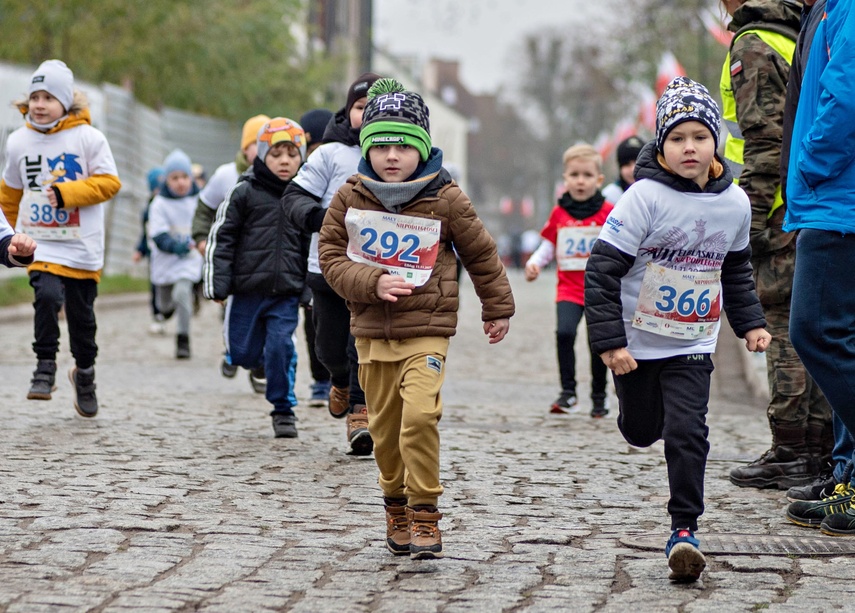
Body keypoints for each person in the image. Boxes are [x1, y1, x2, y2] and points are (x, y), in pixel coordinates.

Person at [318, 78, 515, 560]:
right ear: (366, 148)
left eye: (403, 145)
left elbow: (481, 253)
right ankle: (396, 504)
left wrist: (498, 307)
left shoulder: (446, 197)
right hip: (370, 332)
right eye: (381, 145)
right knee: (385, 432)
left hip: (427, 330)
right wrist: (372, 282)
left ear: (422, 148)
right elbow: (329, 255)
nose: (391, 155)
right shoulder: (351, 196)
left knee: (421, 417)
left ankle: (426, 511)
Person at [585, 76, 770, 582]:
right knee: (643, 430)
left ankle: (684, 529)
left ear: (716, 142)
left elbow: (734, 269)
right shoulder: (642, 199)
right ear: (662, 147)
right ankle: (635, 414)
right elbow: (600, 272)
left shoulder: (735, 203)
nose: (689, 148)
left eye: (699, 136)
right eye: (677, 138)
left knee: (688, 431)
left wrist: (750, 325)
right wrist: (611, 345)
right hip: (636, 342)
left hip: (692, 339)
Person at [719, 0, 832, 492]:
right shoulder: (796, 31)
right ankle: (819, 448)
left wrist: (750, 221)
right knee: (814, 325)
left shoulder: (753, 43)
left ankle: (791, 448)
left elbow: (763, 142)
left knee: (781, 325)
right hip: (806, 201)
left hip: (775, 207)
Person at [0, 59, 122, 418]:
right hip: (40, 243)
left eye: (48, 97)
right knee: (47, 296)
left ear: (66, 102)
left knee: (82, 320)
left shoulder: (88, 137)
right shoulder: (18, 141)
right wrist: (7, 238)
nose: (39, 104)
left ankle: (84, 374)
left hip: (81, 246)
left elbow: (109, 183)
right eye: (34, 96)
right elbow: (9, 195)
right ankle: (44, 367)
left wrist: (69, 193)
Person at [784, 0, 855, 536]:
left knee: (814, 332)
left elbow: (846, 96)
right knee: (843, 339)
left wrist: (807, 164)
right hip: (832, 196)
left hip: (838, 198)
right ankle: (848, 474)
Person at [283, 72, 382, 456]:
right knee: (328, 348)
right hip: (326, 268)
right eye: (361, 107)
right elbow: (294, 198)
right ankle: (337, 380)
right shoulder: (328, 154)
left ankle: (361, 411)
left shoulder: (400, 156)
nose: (367, 115)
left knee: (363, 342)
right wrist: (325, 218)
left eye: (375, 108)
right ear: (348, 110)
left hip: (376, 273)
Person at [204, 117, 308, 438]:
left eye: (292, 154)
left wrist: (309, 289)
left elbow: (313, 246)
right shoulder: (244, 191)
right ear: (261, 155)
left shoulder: (306, 196)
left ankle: (283, 410)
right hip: (247, 290)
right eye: (276, 154)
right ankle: (260, 362)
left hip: (286, 292)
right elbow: (222, 238)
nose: (284, 161)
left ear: (301, 157)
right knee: (242, 353)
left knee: (280, 346)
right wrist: (217, 283)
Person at [524, 143, 612, 417]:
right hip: (569, 289)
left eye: (587, 175)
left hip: (600, 290)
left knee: (597, 344)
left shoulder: (609, 212)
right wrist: (534, 263)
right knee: (564, 333)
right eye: (574, 175)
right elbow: (549, 245)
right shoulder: (559, 213)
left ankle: (599, 397)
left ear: (598, 179)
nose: (580, 181)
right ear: (565, 180)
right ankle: (568, 393)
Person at [192, 114, 271, 388]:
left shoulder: (285, 178)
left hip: (267, 262)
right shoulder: (227, 175)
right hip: (234, 261)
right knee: (233, 313)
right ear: (245, 148)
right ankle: (233, 351)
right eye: (257, 145)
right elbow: (204, 208)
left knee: (268, 315)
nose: (263, 151)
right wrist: (202, 238)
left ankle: (260, 365)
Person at [148, 149, 203, 359]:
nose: (180, 182)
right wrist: (173, 246)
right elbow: (158, 234)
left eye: (184, 177)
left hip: (188, 260)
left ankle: (183, 339)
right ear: (167, 180)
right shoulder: (159, 204)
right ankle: (167, 311)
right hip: (166, 259)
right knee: (164, 304)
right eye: (175, 178)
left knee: (182, 293)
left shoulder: (199, 200)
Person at [297, 108, 335, 408]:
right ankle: (320, 380)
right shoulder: (300, 178)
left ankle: (340, 380)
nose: (317, 155)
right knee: (313, 323)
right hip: (305, 260)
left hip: (334, 257)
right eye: (311, 149)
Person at [133, 167, 171, 335]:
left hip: (168, 252)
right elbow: (145, 233)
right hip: (153, 253)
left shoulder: (168, 204)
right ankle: (158, 316)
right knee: (155, 285)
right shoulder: (149, 209)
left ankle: (170, 308)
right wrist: (140, 250)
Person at [602, 135, 644, 204]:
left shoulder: (657, 191)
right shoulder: (608, 197)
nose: (633, 169)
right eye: (627, 164)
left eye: (638, 163)